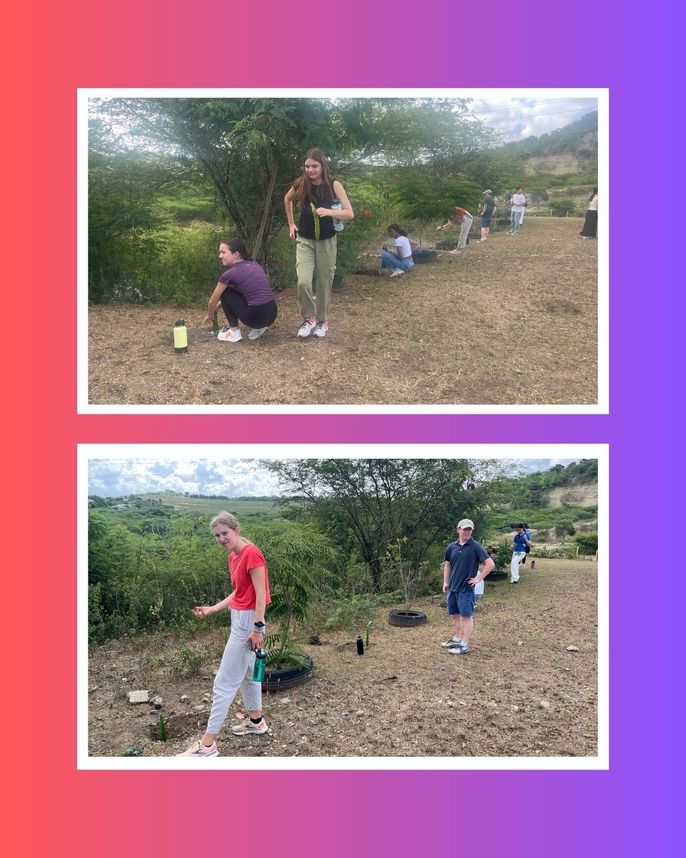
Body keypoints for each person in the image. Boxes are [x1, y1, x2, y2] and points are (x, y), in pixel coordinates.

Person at [179, 512, 271, 757]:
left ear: (236, 529)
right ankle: (256, 721)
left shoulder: (252, 554)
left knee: (224, 682)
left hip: (249, 622)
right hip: (240, 618)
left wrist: (258, 629)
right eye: (217, 535)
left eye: (224, 533)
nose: (221, 538)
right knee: (249, 675)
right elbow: (239, 592)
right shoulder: (234, 556)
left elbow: (260, 595)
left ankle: (207, 745)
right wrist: (212, 608)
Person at [284, 148, 354, 338]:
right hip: (305, 240)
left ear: (323, 166)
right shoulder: (301, 184)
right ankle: (309, 318)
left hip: (327, 241)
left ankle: (323, 321)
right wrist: (291, 224)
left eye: (314, 166)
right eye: (307, 166)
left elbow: (349, 213)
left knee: (324, 282)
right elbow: (287, 199)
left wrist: (329, 212)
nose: (310, 170)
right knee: (303, 282)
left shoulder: (334, 185)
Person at [205, 239, 278, 343]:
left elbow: (212, 300)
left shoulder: (229, 274)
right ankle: (259, 329)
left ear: (236, 254)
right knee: (235, 290)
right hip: (272, 313)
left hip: (256, 317)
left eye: (223, 252)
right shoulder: (254, 264)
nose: (220, 256)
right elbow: (249, 292)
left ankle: (234, 332)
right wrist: (221, 303)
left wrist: (210, 314)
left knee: (225, 291)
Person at [440, 518, 495, 654]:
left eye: (470, 529)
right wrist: (445, 582)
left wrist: (478, 578)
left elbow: (490, 564)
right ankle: (457, 638)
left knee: (467, 616)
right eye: (465, 529)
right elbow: (448, 564)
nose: (467, 532)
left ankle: (464, 644)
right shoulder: (452, 547)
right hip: (452, 587)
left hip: (465, 589)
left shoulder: (475, 546)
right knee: (455, 615)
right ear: (458, 529)